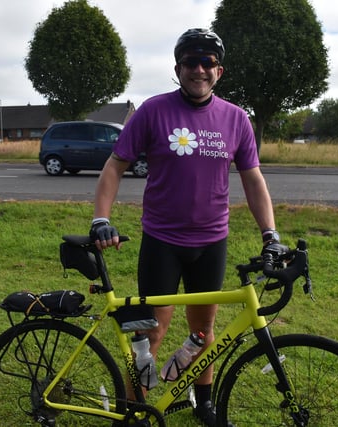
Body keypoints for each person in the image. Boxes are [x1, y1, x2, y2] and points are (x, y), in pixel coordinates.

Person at [90, 28, 281, 427]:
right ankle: (134, 410)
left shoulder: (236, 119)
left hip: (211, 242)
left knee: (203, 332)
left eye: (207, 62)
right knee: (150, 333)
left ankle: (204, 402)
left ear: (219, 71)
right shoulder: (153, 111)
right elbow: (115, 165)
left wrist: (271, 235)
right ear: (177, 69)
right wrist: (101, 218)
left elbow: (253, 179)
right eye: (190, 62)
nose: (199, 69)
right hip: (162, 241)